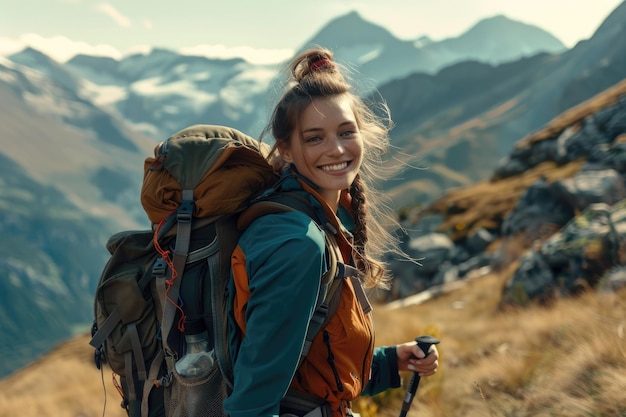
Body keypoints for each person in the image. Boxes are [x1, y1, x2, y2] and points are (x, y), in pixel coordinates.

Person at [224, 47, 439, 417]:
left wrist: (389, 361)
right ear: (286, 150)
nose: (336, 148)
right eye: (314, 138)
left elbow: (308, 365)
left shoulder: (314, 219)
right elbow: (253, 403)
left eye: (345, 132)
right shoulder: (298, 246)